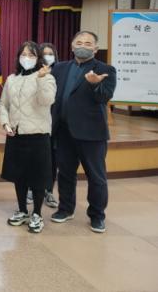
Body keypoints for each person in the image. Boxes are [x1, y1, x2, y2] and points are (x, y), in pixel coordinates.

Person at [50, 31, 116, 233]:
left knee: (96, 177)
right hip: (63, 131)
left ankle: (97, 215)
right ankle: (65, 209)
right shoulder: (59, 68)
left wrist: (96, 85)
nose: (83, 46)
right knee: (65, 174)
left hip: (91, 133)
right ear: (72, 46)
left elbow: (105, 97)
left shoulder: (106, 69)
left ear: (95, 49)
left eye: (88, 43)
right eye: (79, 42)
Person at [0, 41, 56, 233]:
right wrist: (5, 123)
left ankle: (37, 214)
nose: (27, 58)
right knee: (19, 176)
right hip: (16, 134)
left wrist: (41, 79)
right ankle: (23, 210)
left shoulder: (47, 77)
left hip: (38, 135)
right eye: (23, 55)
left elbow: (47, 100)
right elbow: (3, 104)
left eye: (31, 55)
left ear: (38, 58)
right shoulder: (11, 79)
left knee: (38, 178)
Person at [39, 42, 60, 208]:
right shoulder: (33, 72)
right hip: (37, 121)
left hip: (56, 122)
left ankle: (49, 191)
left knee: (52, 159)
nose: (47, 57)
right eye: (44, 53)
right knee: (36, 157)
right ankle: (32, 189)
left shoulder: (61, 72)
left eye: (50, 54)